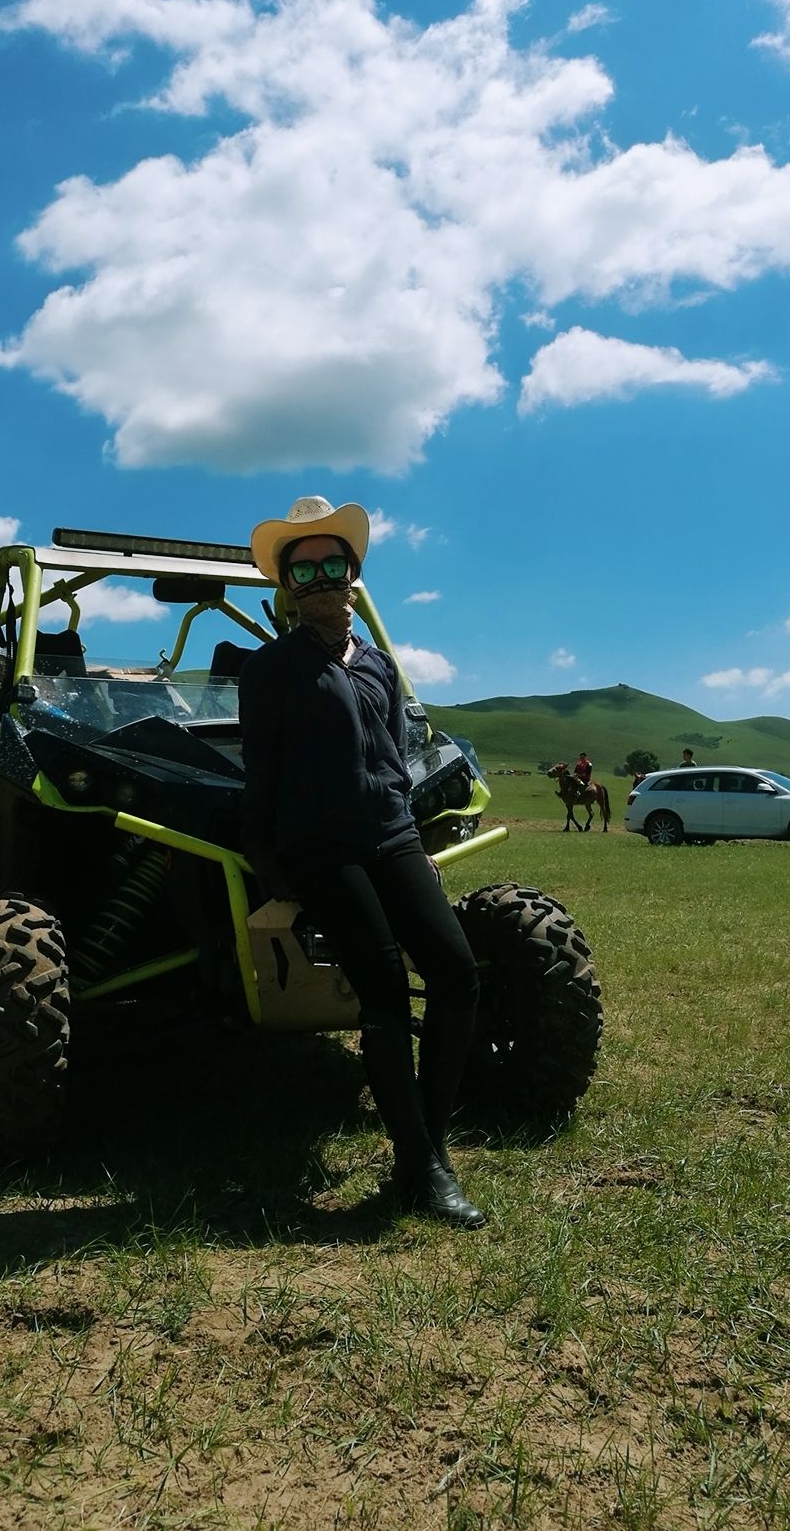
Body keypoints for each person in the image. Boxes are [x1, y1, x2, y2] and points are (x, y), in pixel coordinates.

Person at [239, 495, 486, 1229]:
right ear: (287, 585)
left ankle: (424, 1151)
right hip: (320, 846)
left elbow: (394, 759)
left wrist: (418, 836)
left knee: (455, 974)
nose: (319, 575)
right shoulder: (271, 669)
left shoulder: (377, 666)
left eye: (332, 562)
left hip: (391, 835)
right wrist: (270, 868)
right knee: (381, 992)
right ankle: (424, 1168)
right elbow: (263, 774)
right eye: (303, 566)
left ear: (353, 573)